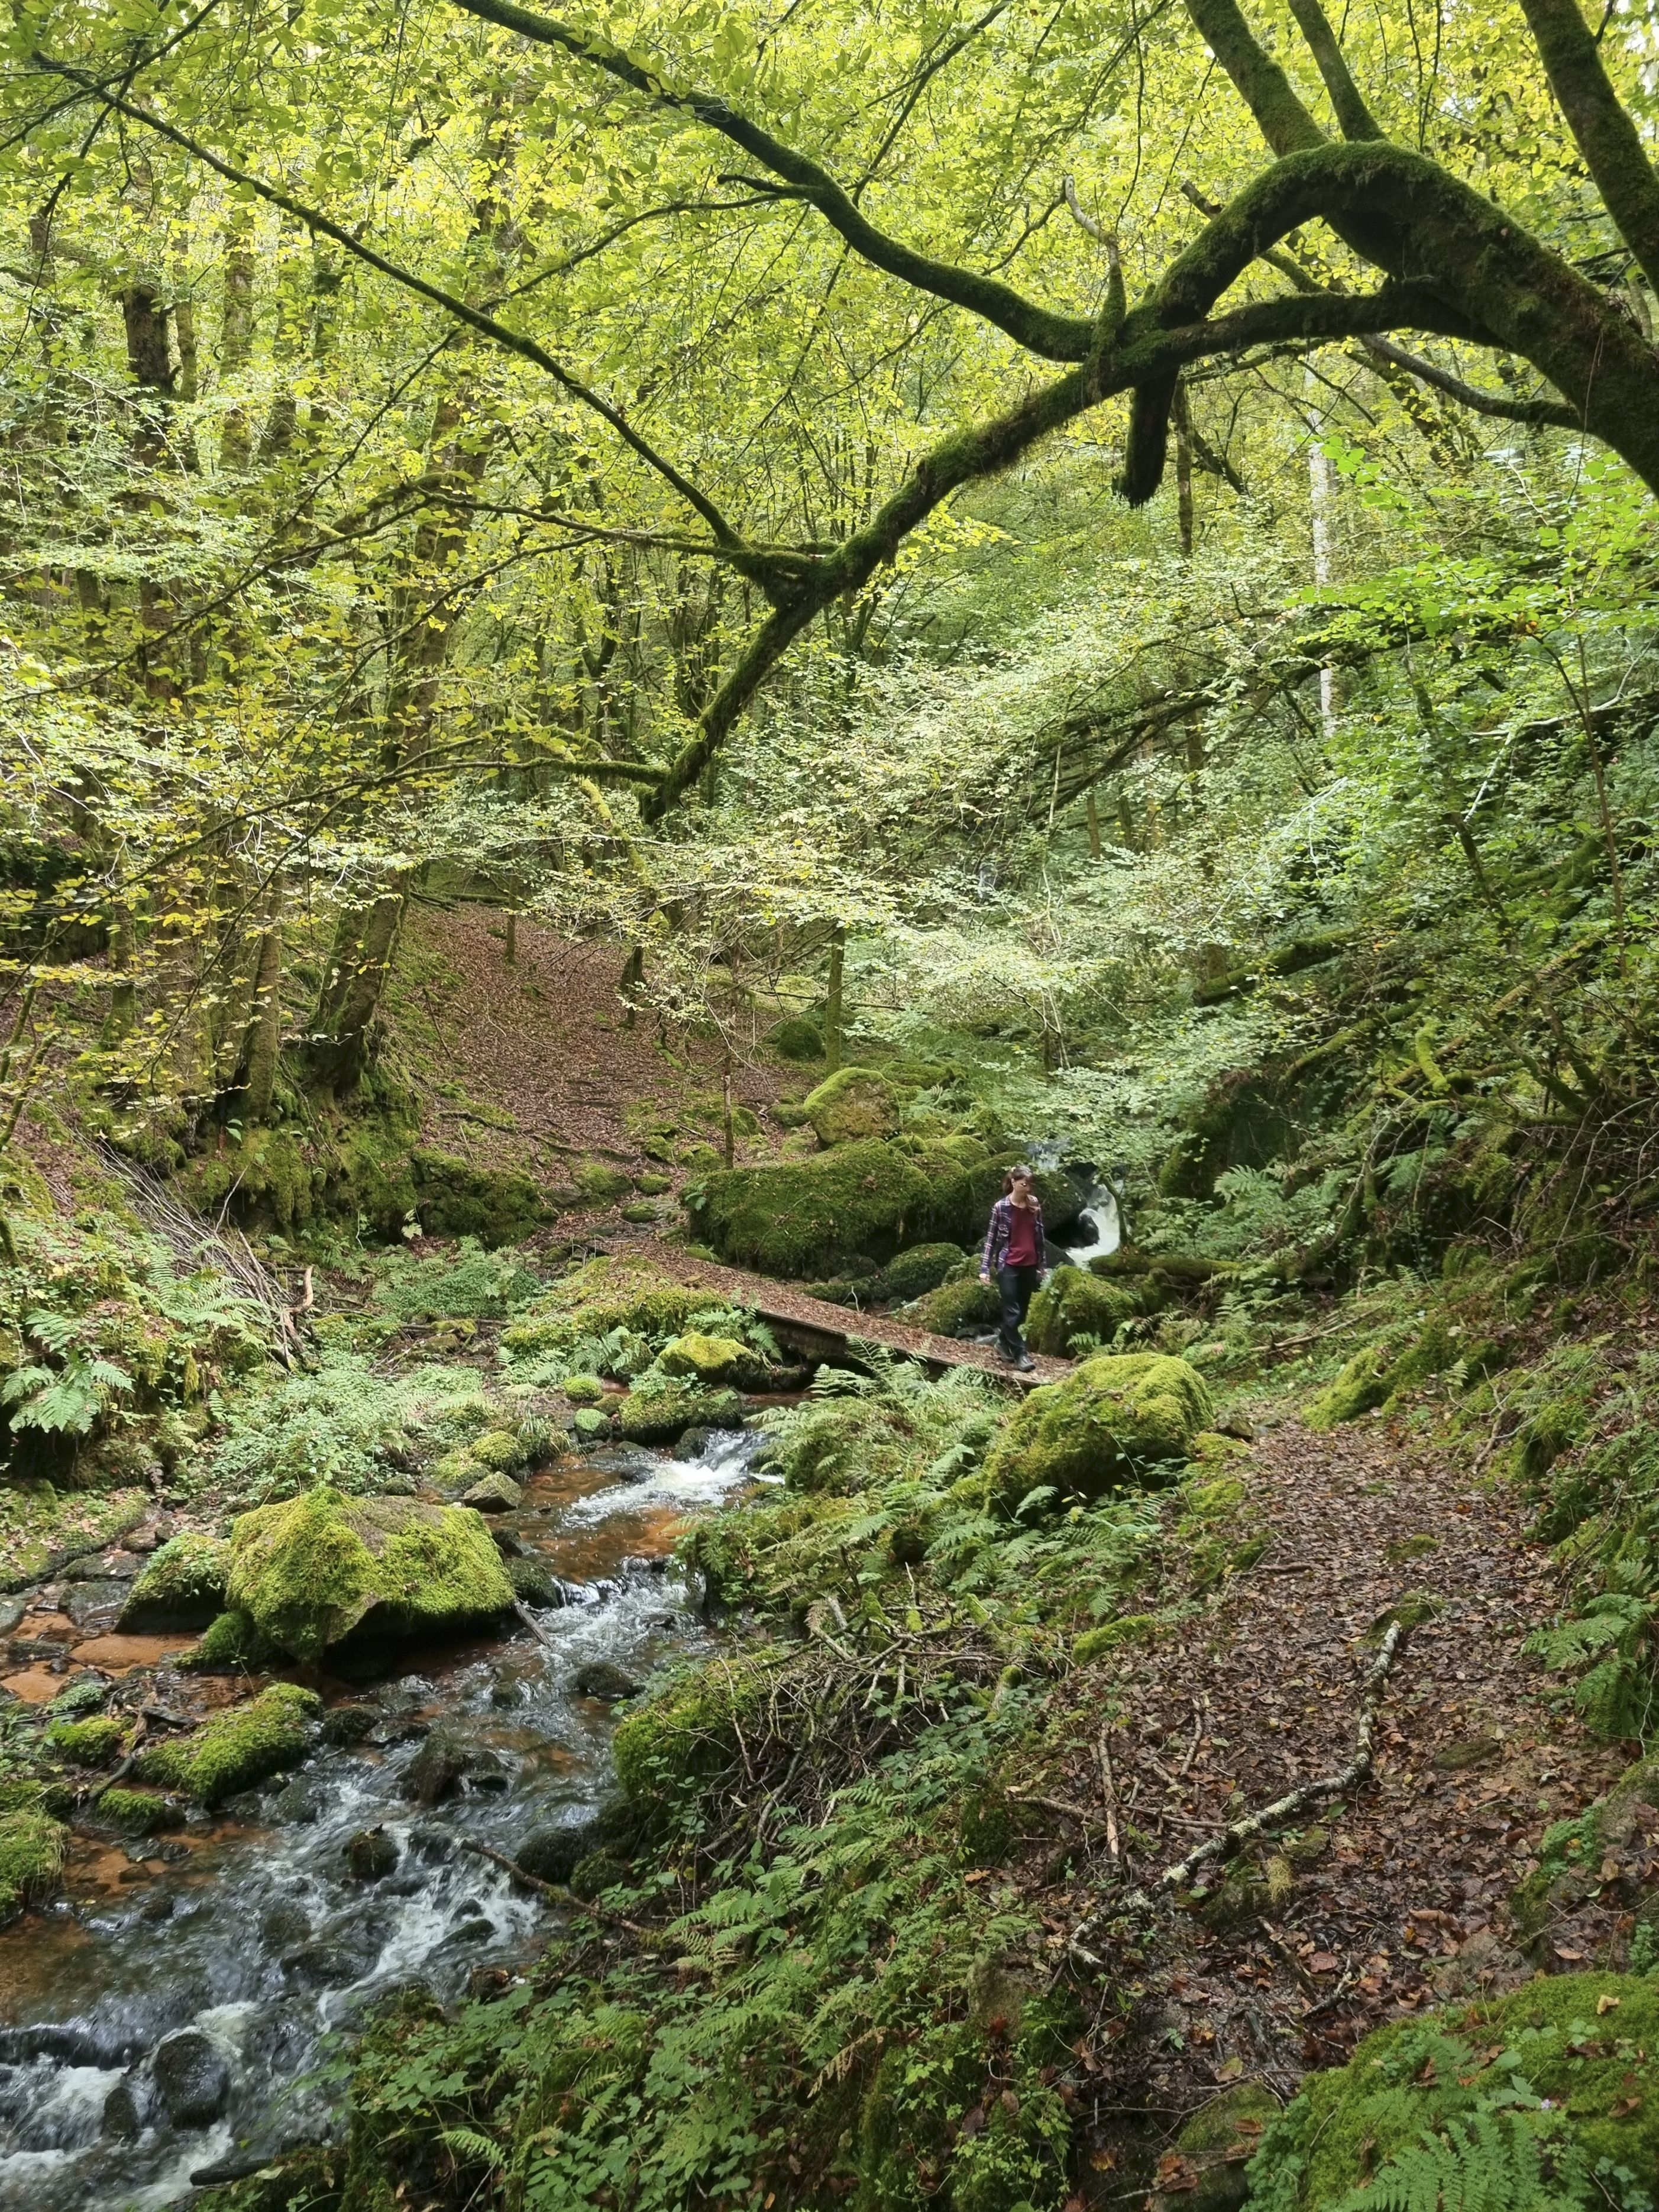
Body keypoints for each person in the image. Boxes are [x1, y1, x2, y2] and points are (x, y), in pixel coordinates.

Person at [981, 1164, 1047, 1371]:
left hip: (1030, 1264)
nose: (1027, 1189)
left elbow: (1041, 1237)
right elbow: (991, 1239)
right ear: (1014, 1183)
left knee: (1021, 1314)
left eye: (1030, 1185)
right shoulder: (1000, 1208)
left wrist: (1042, 1265)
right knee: (1012, 1310)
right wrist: (984, 1268)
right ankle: (1021, 1355)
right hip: (1008, 1265)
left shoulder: (1034, 1204)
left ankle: (1002, 1342)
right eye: (1024, 1184)